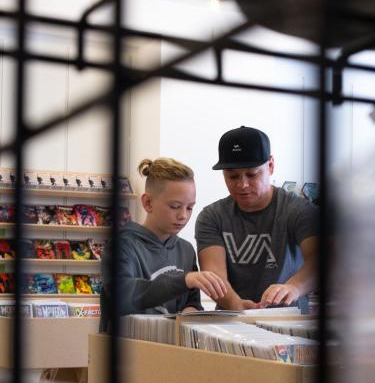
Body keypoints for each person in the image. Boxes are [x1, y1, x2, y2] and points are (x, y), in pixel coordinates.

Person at [195, 126, 318, 311]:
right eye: (232, 176)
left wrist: (294, 287)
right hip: (232, 324)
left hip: (289, 323)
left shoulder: (298, 210)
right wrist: (237, 305)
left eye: (252, 174)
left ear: (270, 166)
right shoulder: (211, 217)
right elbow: (214, 276)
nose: (242, 184)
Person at [100, 157, 227, 331]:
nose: (183, 215)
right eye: (175, 206)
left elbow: (192, 302)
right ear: (147, 203)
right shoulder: (122, 246)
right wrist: (184, 280)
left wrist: (190, 313)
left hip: (171, 349)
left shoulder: (186, 249)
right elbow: (124, 296)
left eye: (190, 207)